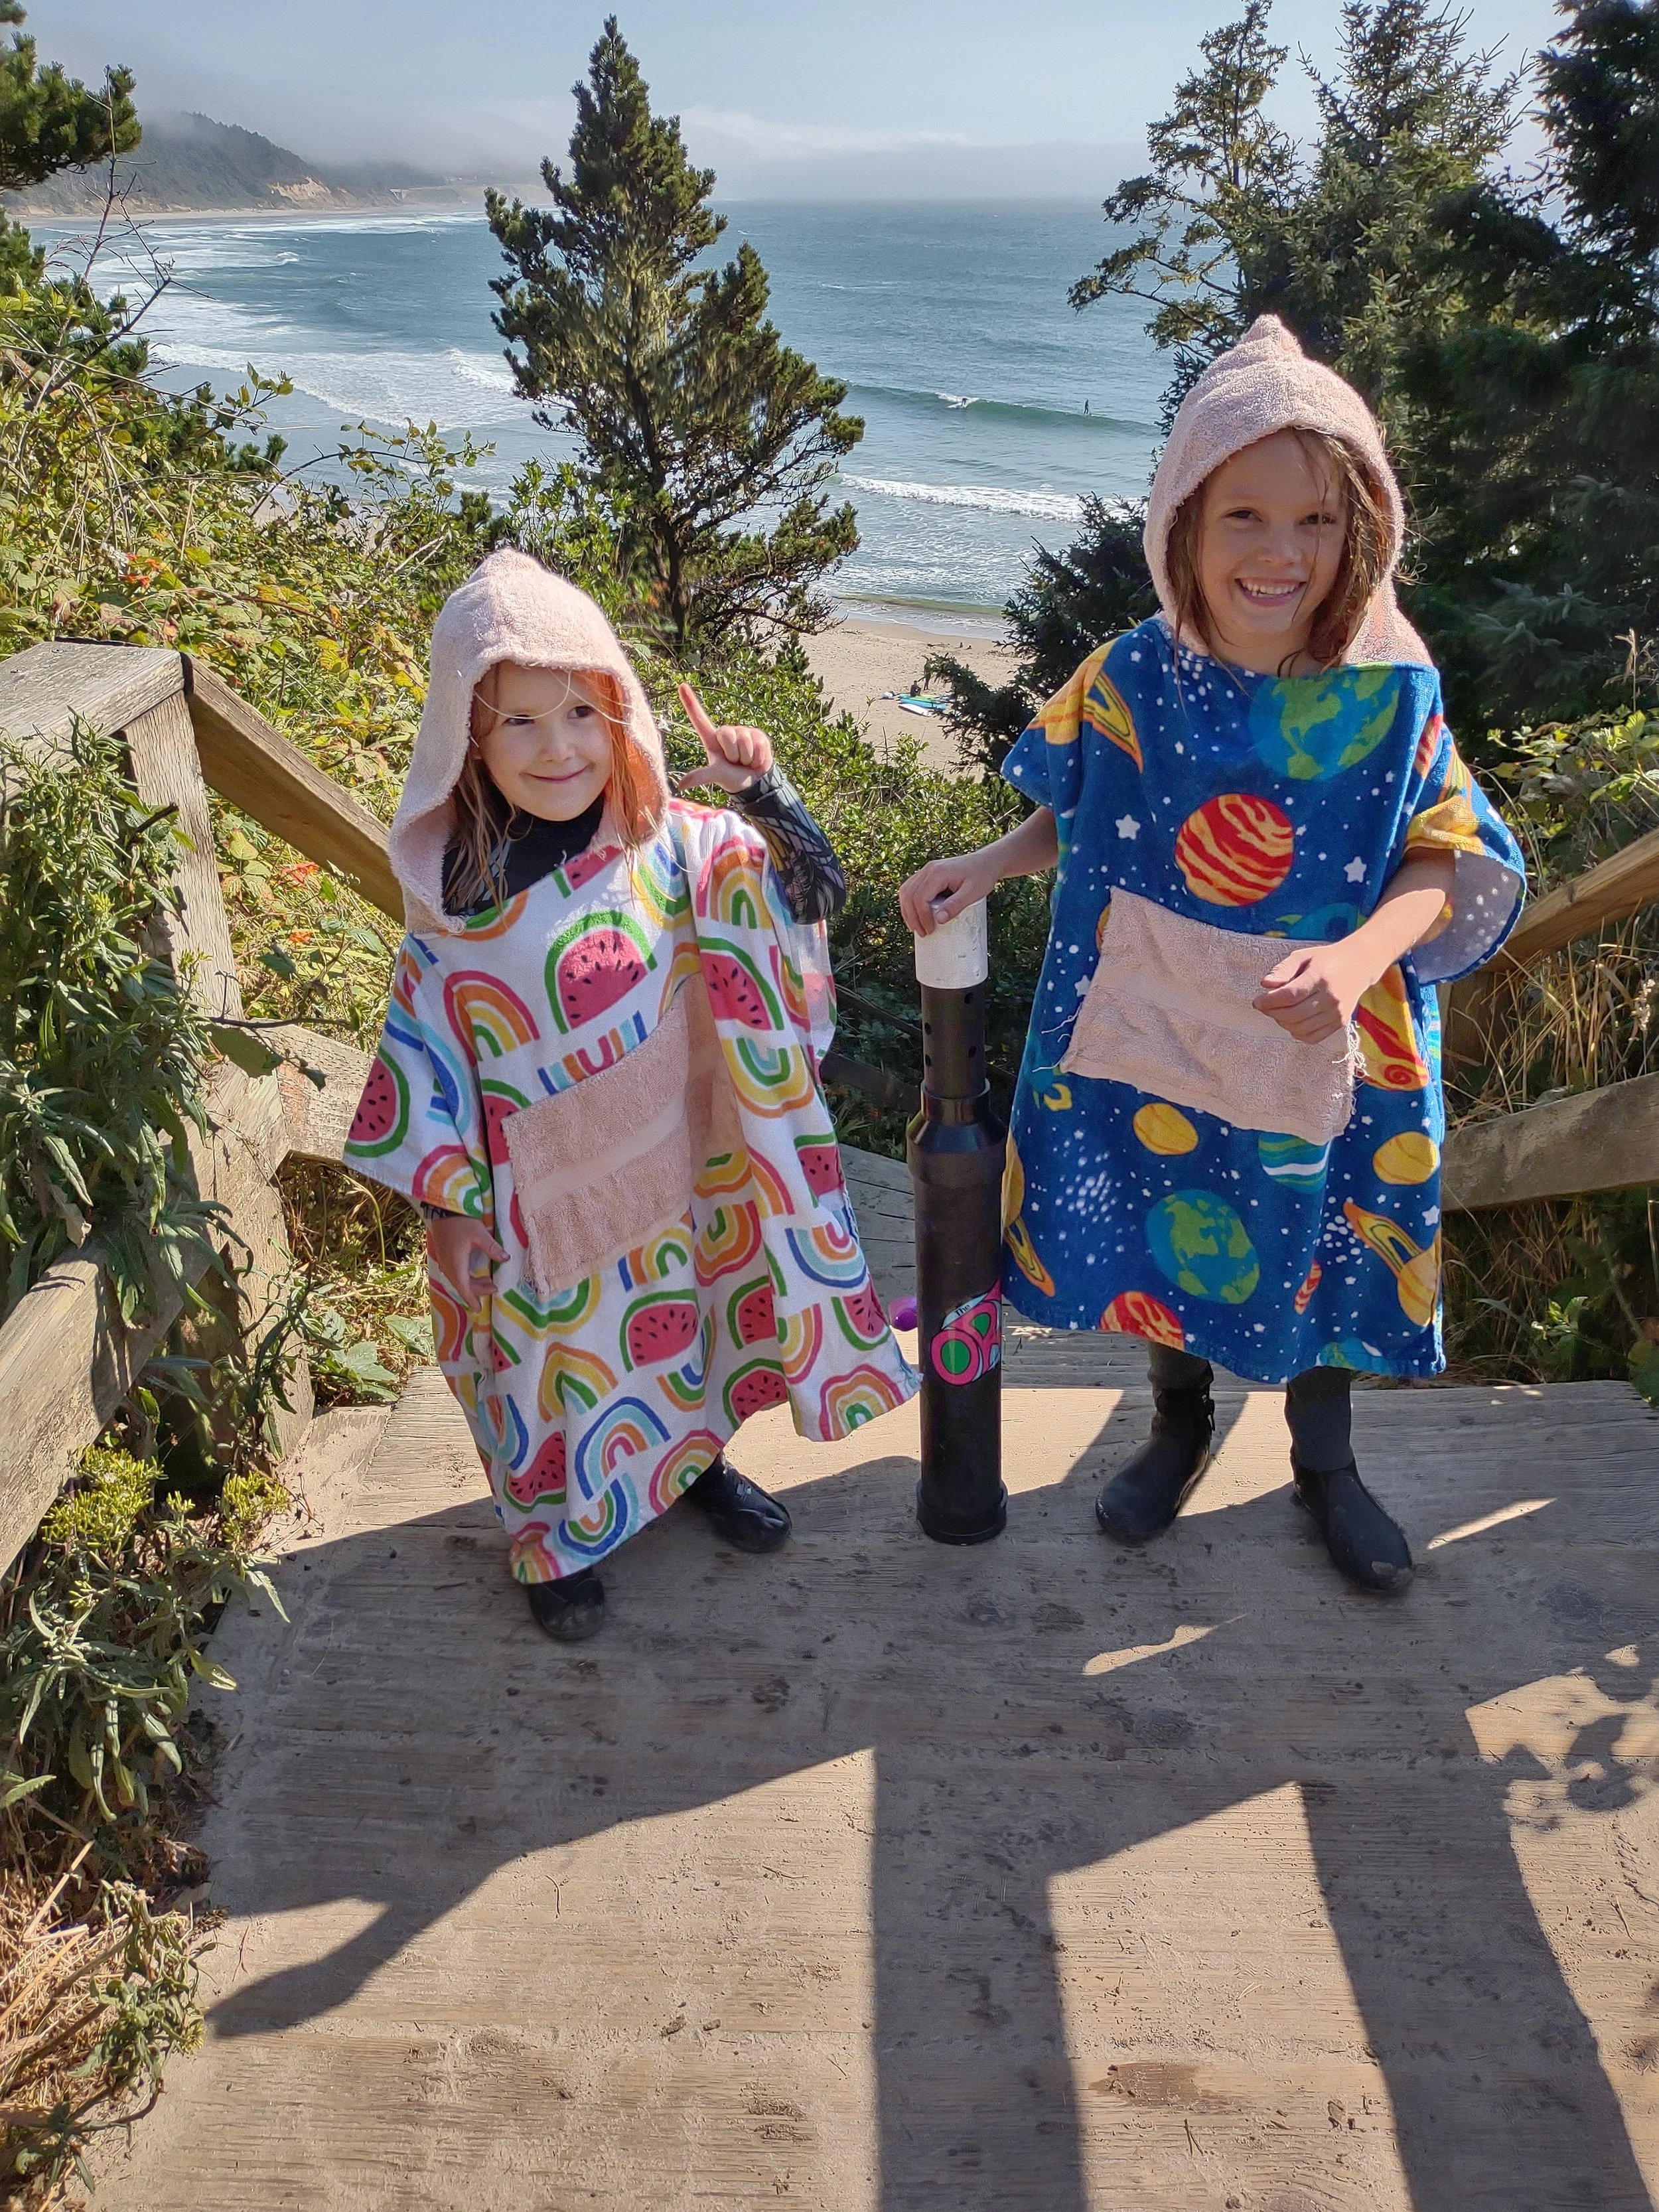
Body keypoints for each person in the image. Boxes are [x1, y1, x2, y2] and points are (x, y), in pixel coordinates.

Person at [899, 316, 1524, 1593]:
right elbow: (1076, 797)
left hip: (1327, 1021)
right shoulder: (1134, 668)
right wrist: (992, 864)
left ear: (1364, 532)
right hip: (1160, 1011)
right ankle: (1177, 1425)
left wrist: (1356, 962)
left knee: (1329, 1226)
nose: (1282, 553)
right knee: (1163, 1213)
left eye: (1318, 522)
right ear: (1184, 519)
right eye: (1245, 516)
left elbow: (1445, 857)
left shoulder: (1393, 682)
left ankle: (1326, 1464)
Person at [345, 549, 914, 1641]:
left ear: (621, 713)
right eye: (519, 723)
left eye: (579, 711)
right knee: (541, 1366)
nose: (557, 747)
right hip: (532, 1192)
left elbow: (812, 894)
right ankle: (549, 1543)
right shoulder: (458, 895)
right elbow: (429, 1054)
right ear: (467, 734)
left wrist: (765, 791)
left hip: (672, 1164)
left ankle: (694, 1468)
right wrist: (446, 1204)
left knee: (681, 1325)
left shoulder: (671, 849)